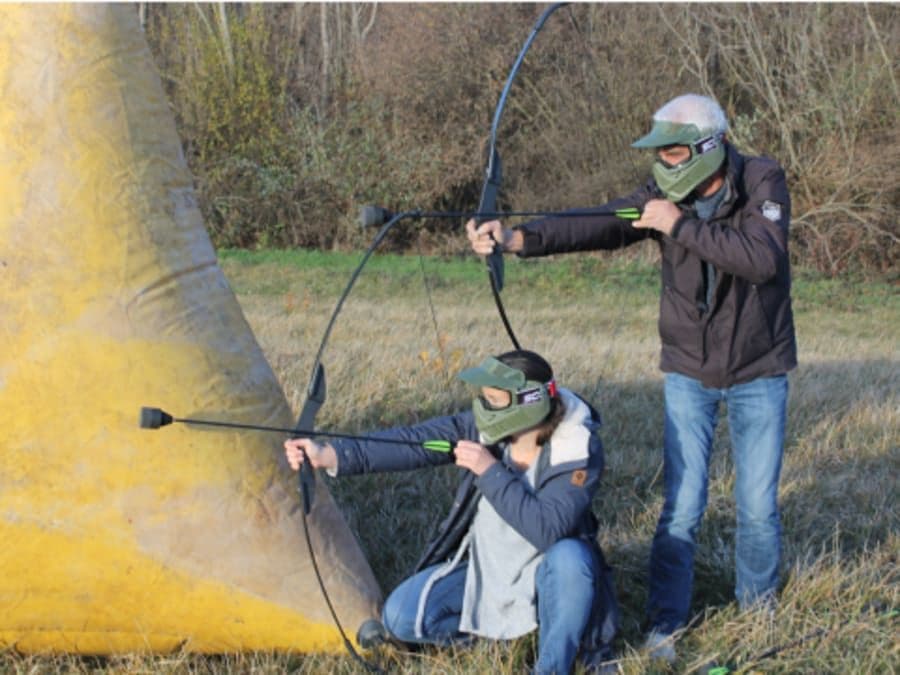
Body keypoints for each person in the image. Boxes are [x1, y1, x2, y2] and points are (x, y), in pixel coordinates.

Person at [466, 94, 796, 662]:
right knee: (683, 505)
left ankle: (758, 614)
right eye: (659, 158)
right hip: (689, 373)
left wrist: (680, 226)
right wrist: (519, 238)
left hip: (759, 371)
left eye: (672, 155)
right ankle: (665, 625)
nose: (664, 168)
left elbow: (763, 258)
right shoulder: (659, 198)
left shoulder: (763, 180)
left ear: (707, 149)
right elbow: (599, 221)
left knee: (757, 506)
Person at [285, 349, 619, 674]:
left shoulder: (576, 449)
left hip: (549, 574)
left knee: (571, 559)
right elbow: (413, 442)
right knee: (401, 617)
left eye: (496, 400)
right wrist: (330, 455)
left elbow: (549, 530)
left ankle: (553, 663)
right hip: (488, 571)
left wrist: (489, 471)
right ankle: (495, 640)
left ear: (530, 401)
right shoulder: (482, 429)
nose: (485, 407)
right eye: (484, 397)